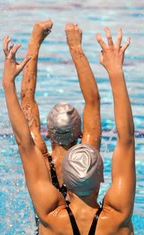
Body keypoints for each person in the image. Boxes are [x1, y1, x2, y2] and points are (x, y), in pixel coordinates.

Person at [3, 27, 135, 235]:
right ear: (103, 176)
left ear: (63, 176)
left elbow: (24, 144)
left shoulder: (49, 214)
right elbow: (126, 140)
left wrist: (8, 83)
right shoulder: (117, 217)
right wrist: (115, 72)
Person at [21, 21, 102, 200]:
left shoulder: (40, 164)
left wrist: (35, 41)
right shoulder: (89, 159)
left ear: (48, 134)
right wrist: (75, 47)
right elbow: (93, 102)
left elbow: (27, 100)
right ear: (81, 133)